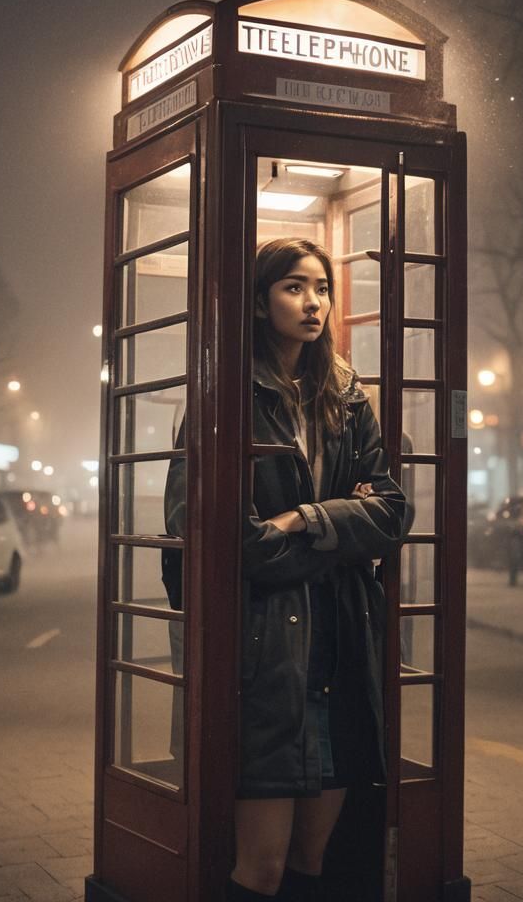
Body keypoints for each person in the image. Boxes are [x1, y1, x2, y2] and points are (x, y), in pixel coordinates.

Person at [164, 237, 413, 900]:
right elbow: (229, 544)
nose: (314, 303)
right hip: (266, 658)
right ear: (258, 299)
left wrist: (303, 519)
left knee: (313, 857)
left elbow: (392, 512)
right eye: (294, 287)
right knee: (262, 867)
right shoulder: (223, 399)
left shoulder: (346, 394)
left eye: (322, 287)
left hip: (340, 650)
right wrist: (342, 525)